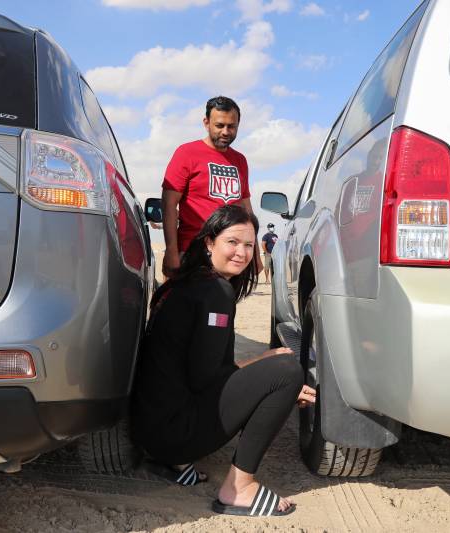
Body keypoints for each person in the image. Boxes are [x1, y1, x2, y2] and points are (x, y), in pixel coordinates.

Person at [131, 205, 316, 517]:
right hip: (172, 436)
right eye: (232, 242)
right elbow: (207, 379)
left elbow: (188, 369)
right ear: (209, 243)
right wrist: (270, 380)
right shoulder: (215, 291)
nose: (242, 253)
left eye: (248, 245)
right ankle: (239, 488)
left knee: (271, 367)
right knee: (285, 370)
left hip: (150, 434)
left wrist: (258, 371)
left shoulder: (181, 283)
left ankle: (173, 463)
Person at [160, 96, 260, 278]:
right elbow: (168, 204)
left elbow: (246, 208)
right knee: (184, 306)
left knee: (222, 305)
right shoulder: (186, 153)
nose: (226, 132)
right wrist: (171, 251)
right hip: (192, 252)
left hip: (228, 255)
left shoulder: (240, 160)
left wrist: (255, 255)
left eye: (232, 126)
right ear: (206, 123)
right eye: (220, 125)